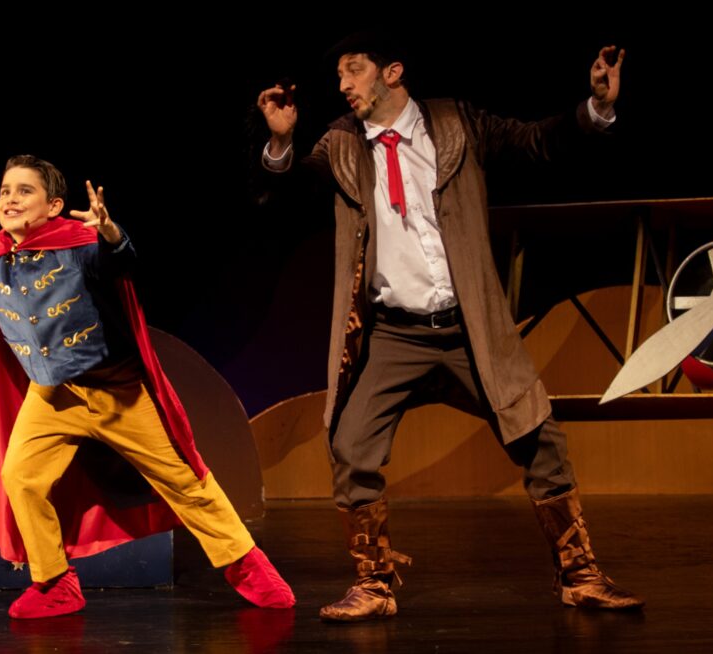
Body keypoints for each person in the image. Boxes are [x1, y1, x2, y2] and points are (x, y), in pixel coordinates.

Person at [255, 32, 641, 621]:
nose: (344, 85)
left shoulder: (456, 125)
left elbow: (536, 142)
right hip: (393, 335)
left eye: (354, 70)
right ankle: (374, 585)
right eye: (338, 75)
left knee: (539, 436)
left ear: (391, 72)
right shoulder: (342, 144)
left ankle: (580, 575)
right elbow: (285, 197)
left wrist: (596, 108)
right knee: (351, 447)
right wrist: (281, 141)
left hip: (469, 330)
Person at [0, 154, 294, 618]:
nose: (10, 199)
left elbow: (120, 260)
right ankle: (55, 582)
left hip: (117, 394)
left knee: (183, 480)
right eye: (5, 191)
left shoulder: (79, 247)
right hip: (51, 398)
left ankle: (247, 567)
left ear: (53, 205)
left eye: (24, 190)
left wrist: (108, 231)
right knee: (20, 477)